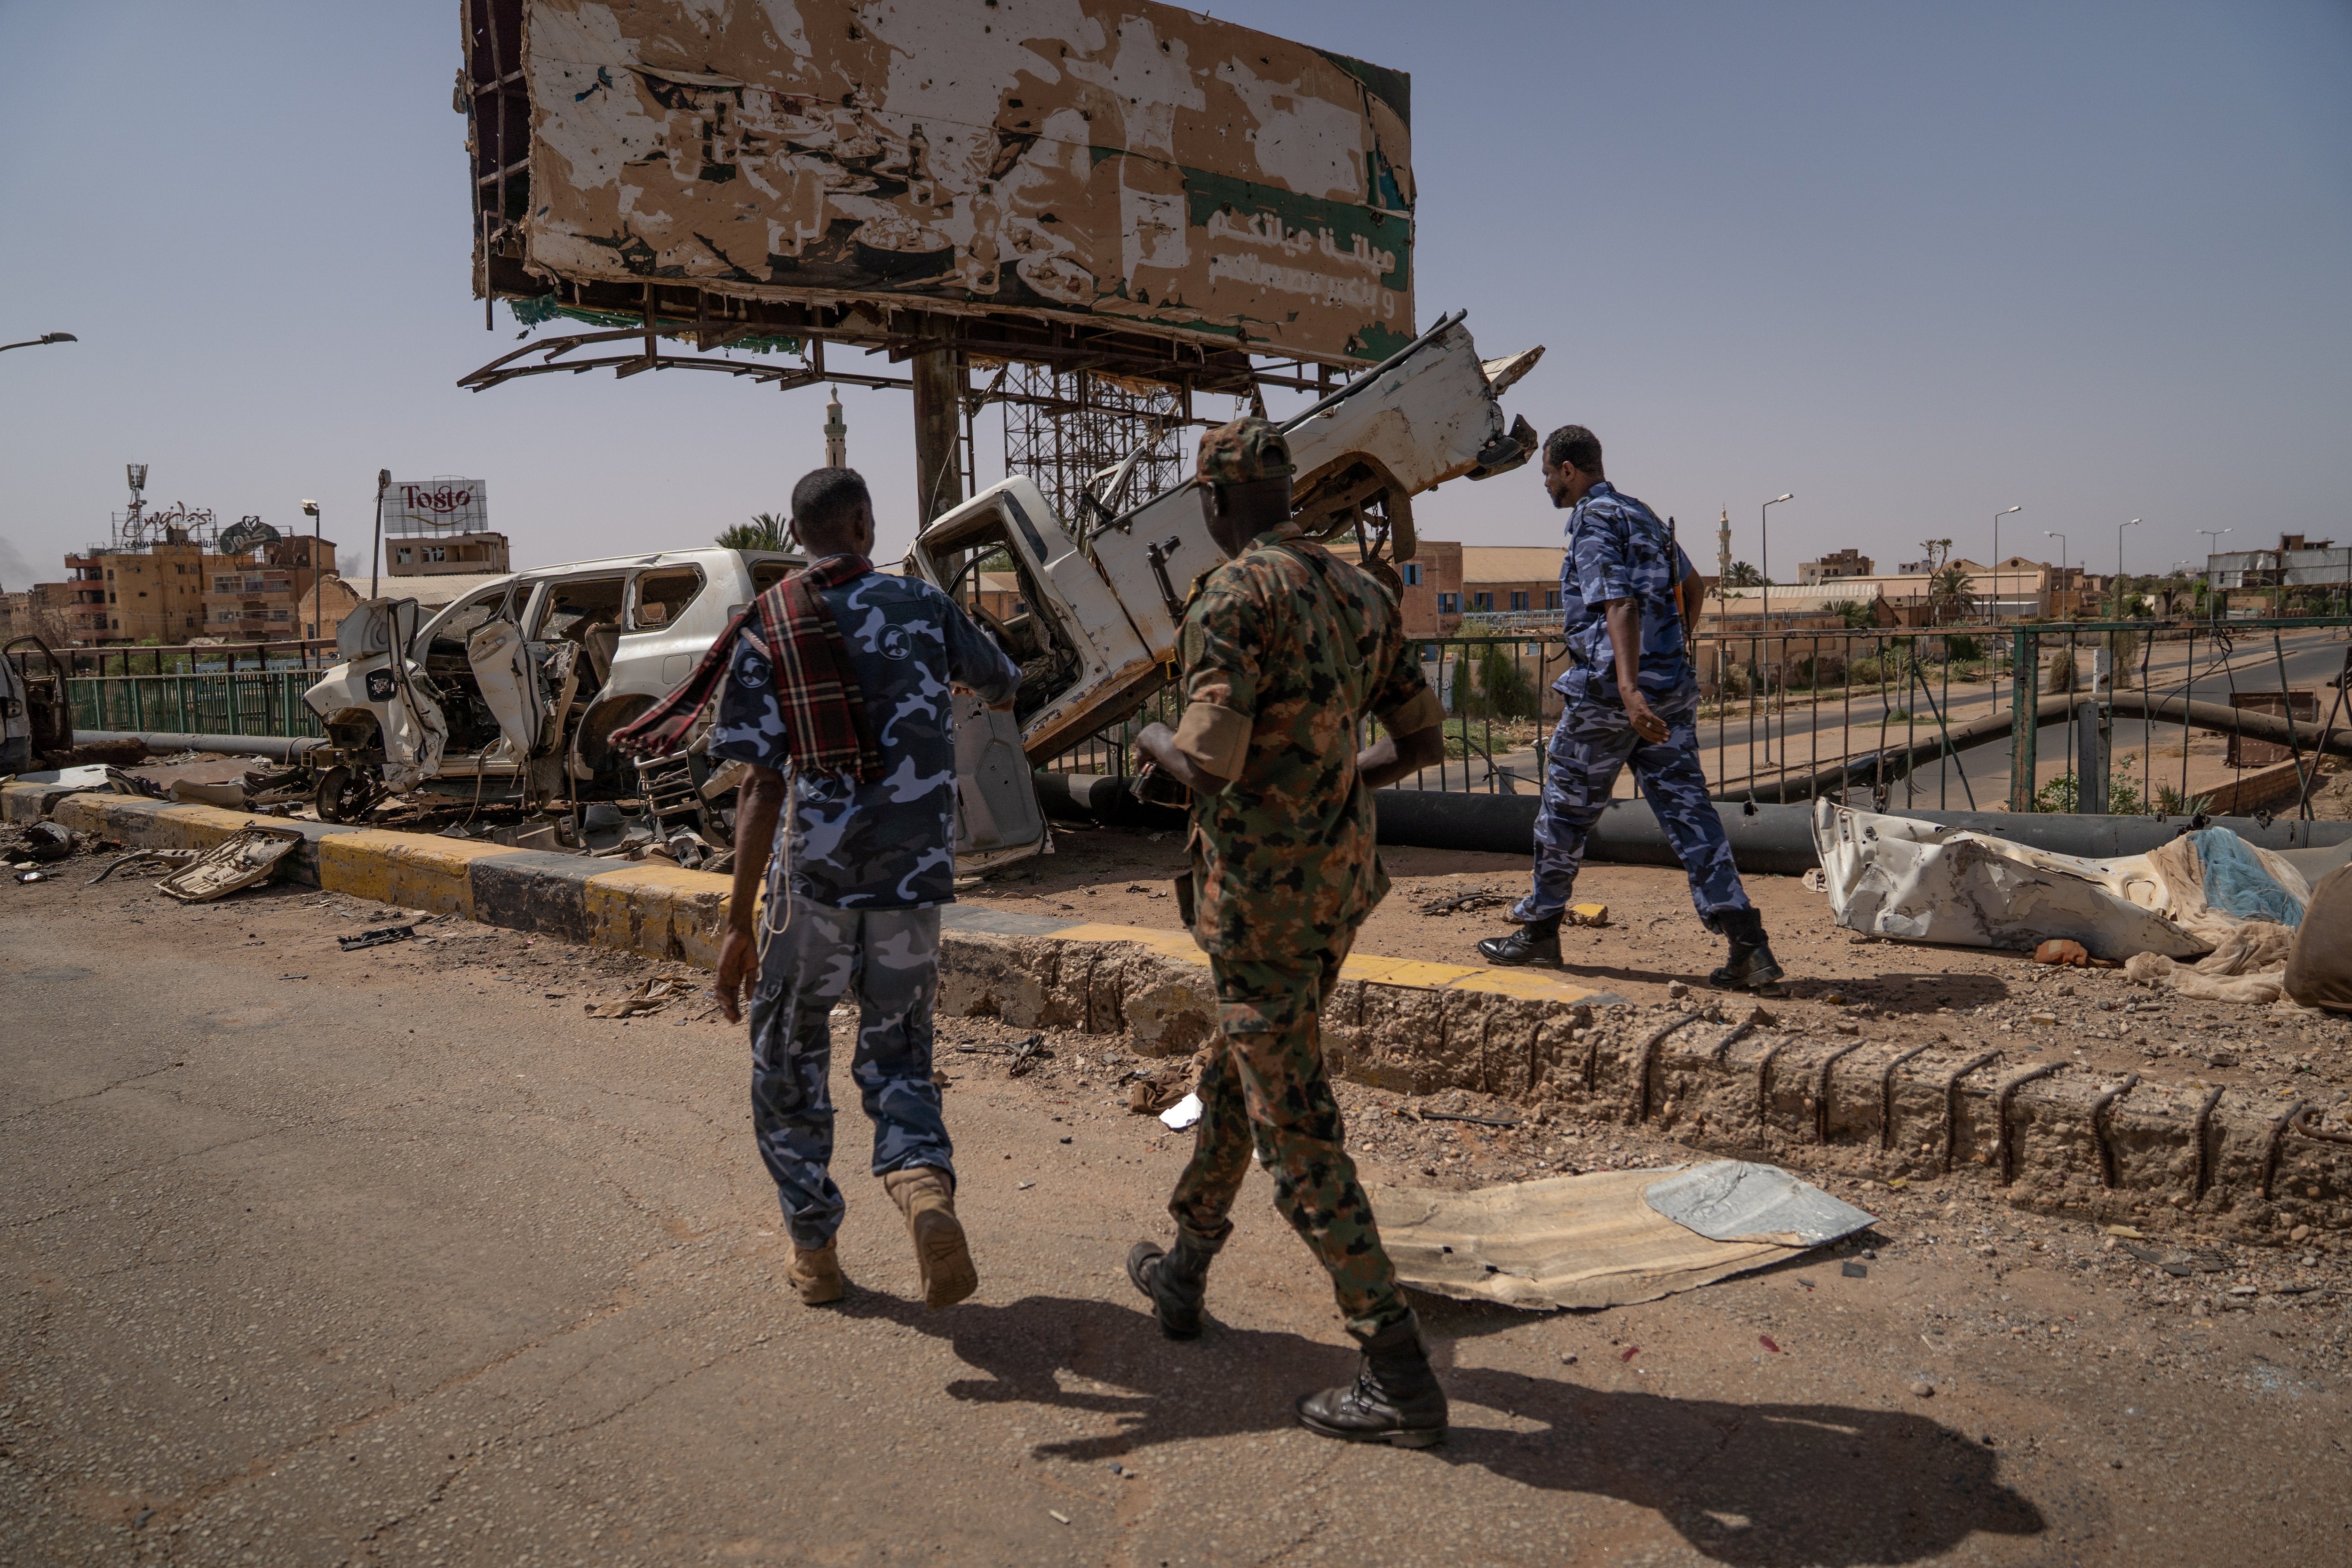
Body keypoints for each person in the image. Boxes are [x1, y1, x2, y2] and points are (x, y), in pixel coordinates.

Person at [617, 467, 1021, 1310]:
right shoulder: (923, 606)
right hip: (914, 881)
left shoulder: (770, 625)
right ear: (866, 525)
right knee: (901, 1049)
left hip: (817, 886)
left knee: (790, 1056)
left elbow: (761, 787)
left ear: (800, 536)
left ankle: (816, 1250)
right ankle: (922, 1189)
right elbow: (1002, 680)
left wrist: (736, 925)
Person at [1127, 416, 1453, 1448]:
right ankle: (1183, 1272)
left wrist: (1146, 737)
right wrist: (1327, 790)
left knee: (1293, 1122)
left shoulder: (1231, 595)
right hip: (1336, 886)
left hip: (1259, 903)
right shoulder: (1360, 588)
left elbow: (1207, 763)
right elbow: (1423, 738)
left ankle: (1395, 1368)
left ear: (1216, 505)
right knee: (1243, 1065)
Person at [1478, 424, 1783, 989]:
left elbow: (1617, 603)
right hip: (1667, 692)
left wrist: (1628, 688)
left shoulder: (1593, 522)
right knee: (1689, 814)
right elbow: (1693, 590)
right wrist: (1665, 659)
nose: (1545, 484)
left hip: (1609, 698)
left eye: (1547, 473)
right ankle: (1748, 945)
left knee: (1563, 812)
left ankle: (1540, 932)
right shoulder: (1641, 514)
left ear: (1569, 470)